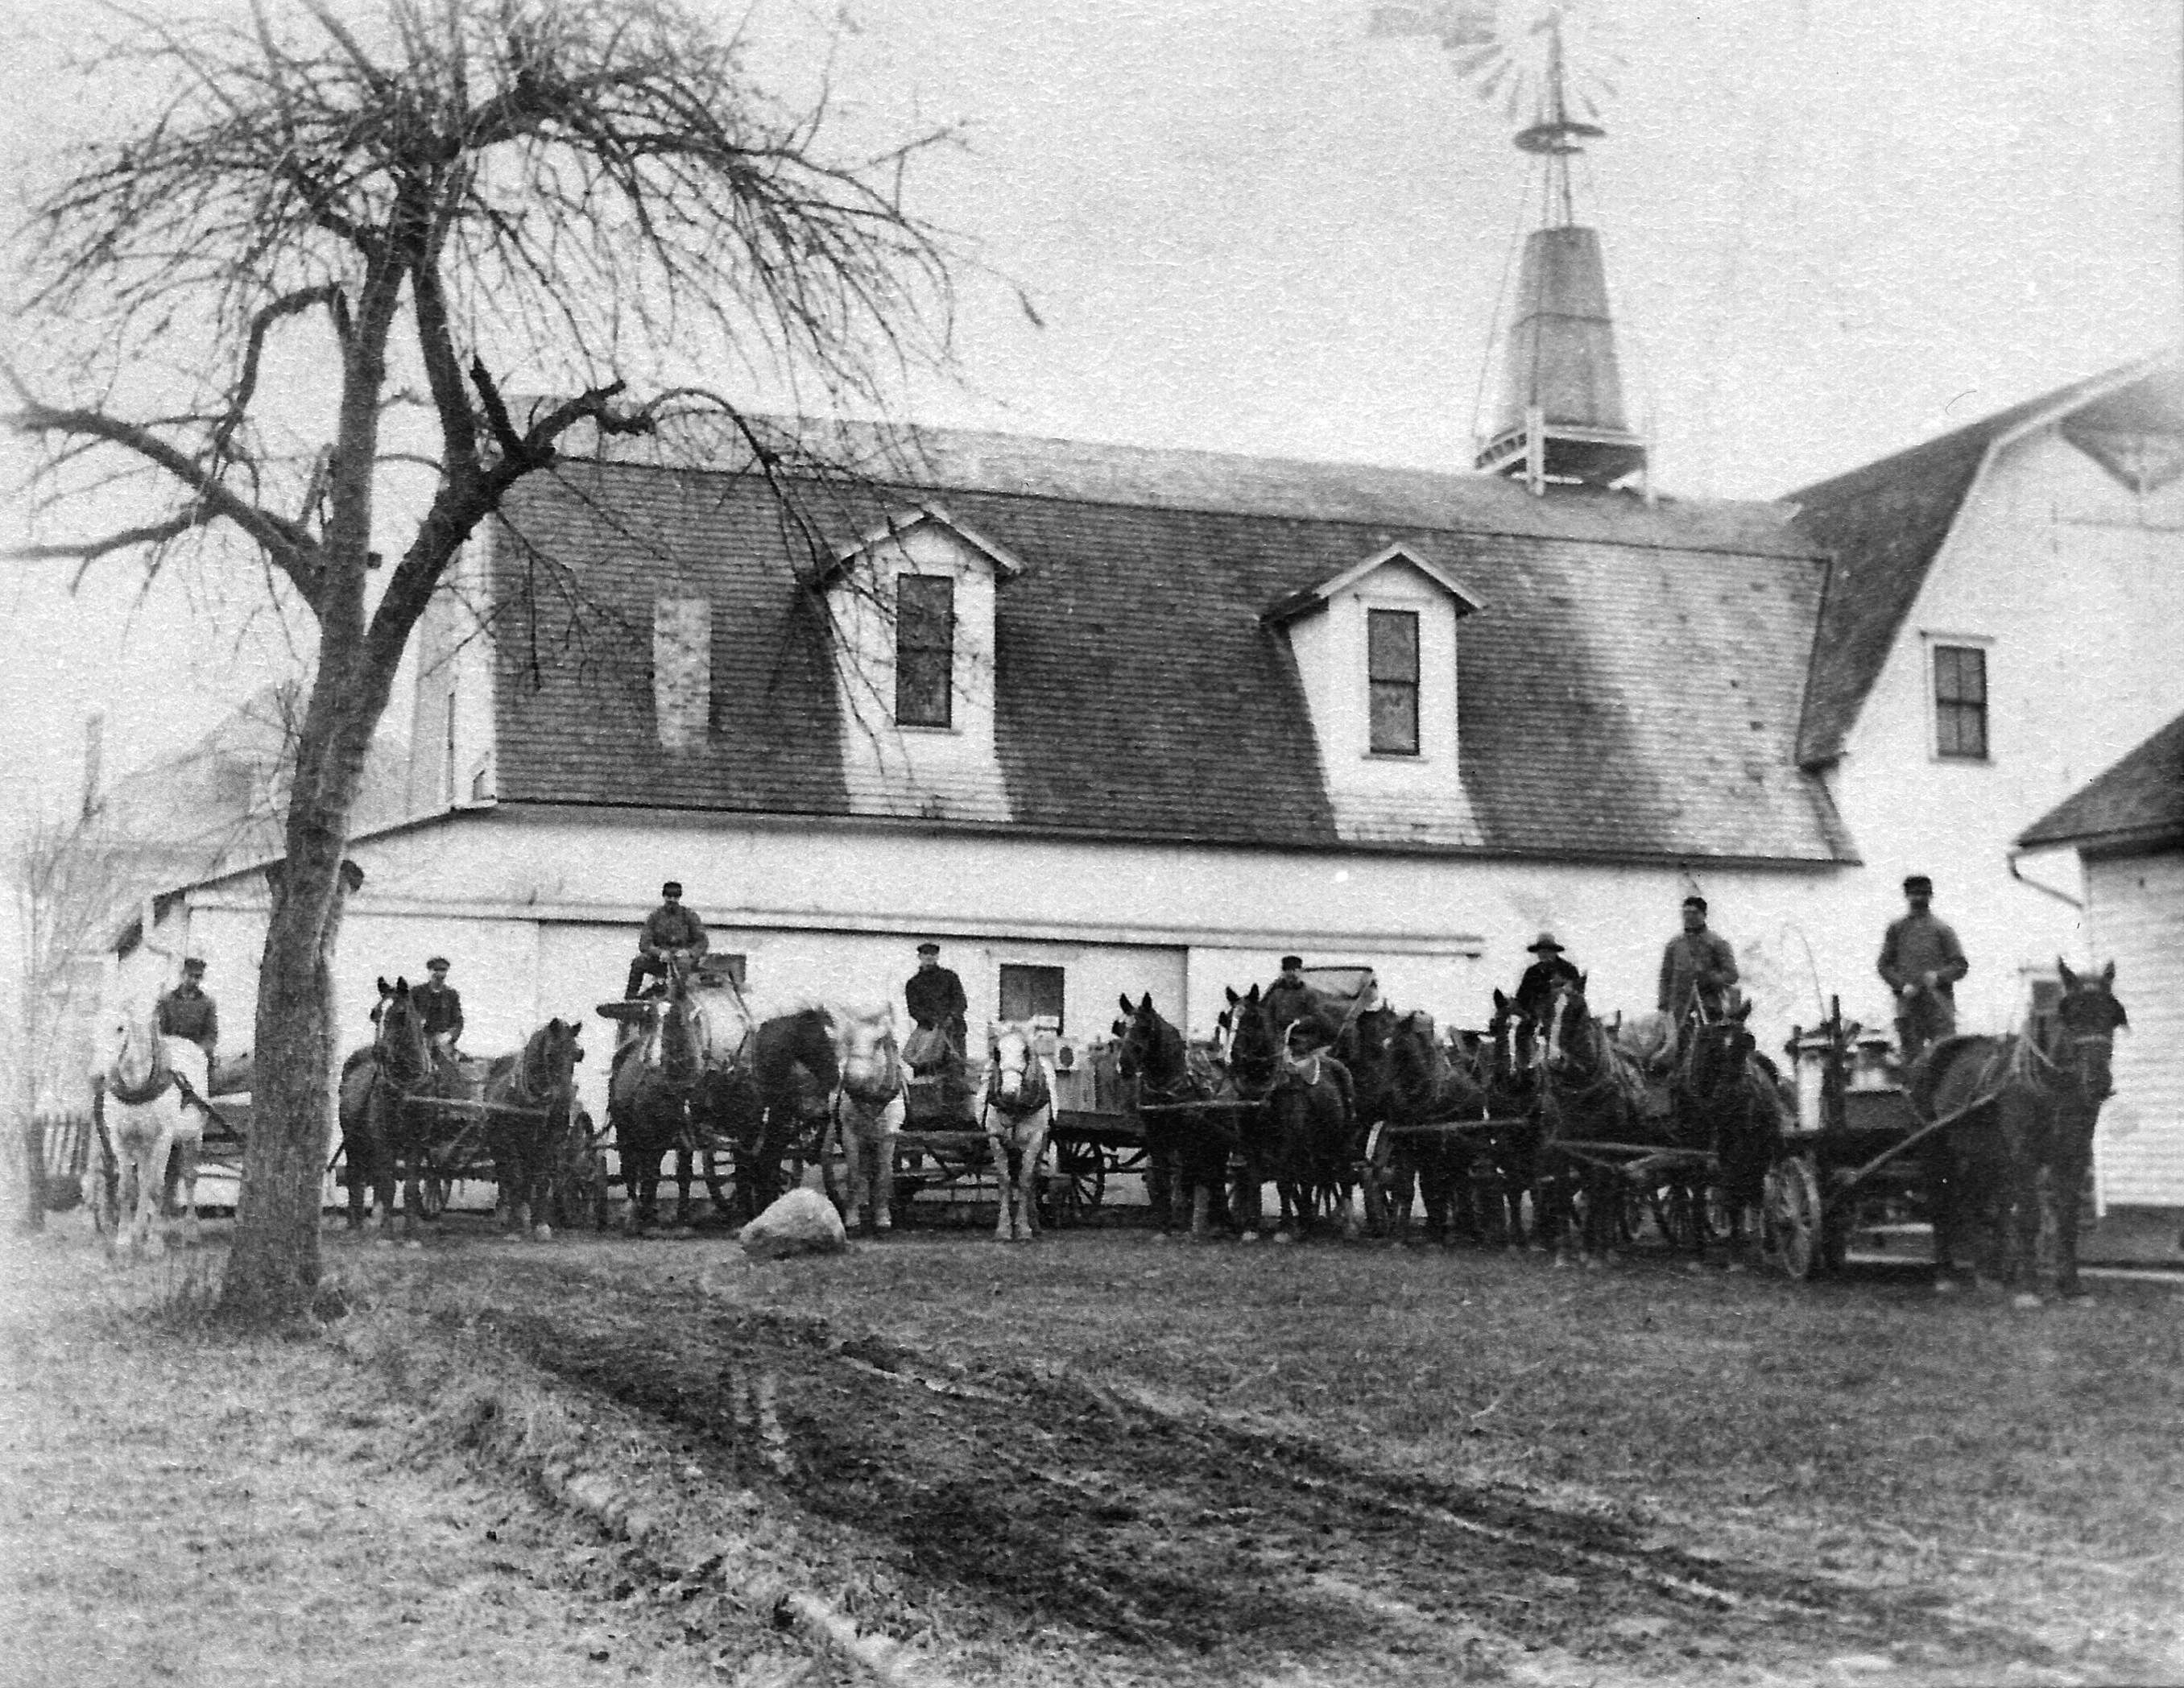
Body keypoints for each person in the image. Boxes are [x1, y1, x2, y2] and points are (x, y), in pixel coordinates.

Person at [1878, 874, 1967, 1062]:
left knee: (1944, 1056)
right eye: (1914, 894)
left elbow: (1960, 966)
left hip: (1938, 1006)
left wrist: (1938, 976)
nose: (1918, 898)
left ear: (1930, 896)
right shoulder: (1897, 929)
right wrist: (1902, 985)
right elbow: (1884, 965)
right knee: (1911, 1058)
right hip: (1909, 1006)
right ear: (1907, 896)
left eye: (1923, 894)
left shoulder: (1942, 929)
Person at [1657, 896, 1739, 1024]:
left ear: (1704, 915)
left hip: (1709, 1009)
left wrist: (1709, 977)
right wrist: (1663, 1007)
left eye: (1694, 913)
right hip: (1679, 1012)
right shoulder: (1674, 945)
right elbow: (1665, 978)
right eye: (1686, 913)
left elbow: (1732, 975)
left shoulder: (1717, 943)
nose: (1689, 917)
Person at [626, 880, 709, 998]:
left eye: (676, 897)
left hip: (684, 960)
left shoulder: (689, 916)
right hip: (661, 961)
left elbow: (702, 942)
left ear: (679, 898)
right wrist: (659, 953)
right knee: (638, 962)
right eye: (669, 897)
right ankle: (630, 998)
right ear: (664, 896)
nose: (672, 900)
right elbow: (645, 944)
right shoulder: (655, 917)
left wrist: (689, 952)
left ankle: (678, 998)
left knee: (682, 966)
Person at [904, 941, 968, 1053]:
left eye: (933, 954)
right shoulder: (913, 983)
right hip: (929, 1031)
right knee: (924, 1064)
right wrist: (933, 1022)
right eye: (925, 953)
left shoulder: (950, 977)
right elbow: (914, 1009)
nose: (929, 956)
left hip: (953, 1031)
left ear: (937, 956)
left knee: (954, 1066)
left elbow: (960, 1001)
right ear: (920, 956)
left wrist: (951, 1018)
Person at [155, 957, 218, 1065]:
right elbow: (159, 1032)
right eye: (190, 975)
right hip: (171, 1054)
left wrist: (198, 1050)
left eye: (198, 977)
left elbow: (211, 1035)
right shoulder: (166, 1001)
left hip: (196, 1055)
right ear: (182, 974)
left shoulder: (207, 1003)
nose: (193, 980)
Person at [1512, 933, 1582, 1026]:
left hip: (1565, 1020)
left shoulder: (1568, 970)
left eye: (1548, 951)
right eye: (1541, 951)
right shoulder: (1531, 972)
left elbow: (1577, 996)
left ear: (1555, 952)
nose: (1544, 954)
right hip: (1535, 1020)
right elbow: (1522, 998)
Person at [414, 957, 465, 1051]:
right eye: (436, 970)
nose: (439, 974)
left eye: (443, 970)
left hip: (442, 1041)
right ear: (429, 971)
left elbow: (458, 1021)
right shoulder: (416, 992)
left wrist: (449, 1035)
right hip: (419, 1039)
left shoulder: (451, 995)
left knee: (448, 1063)